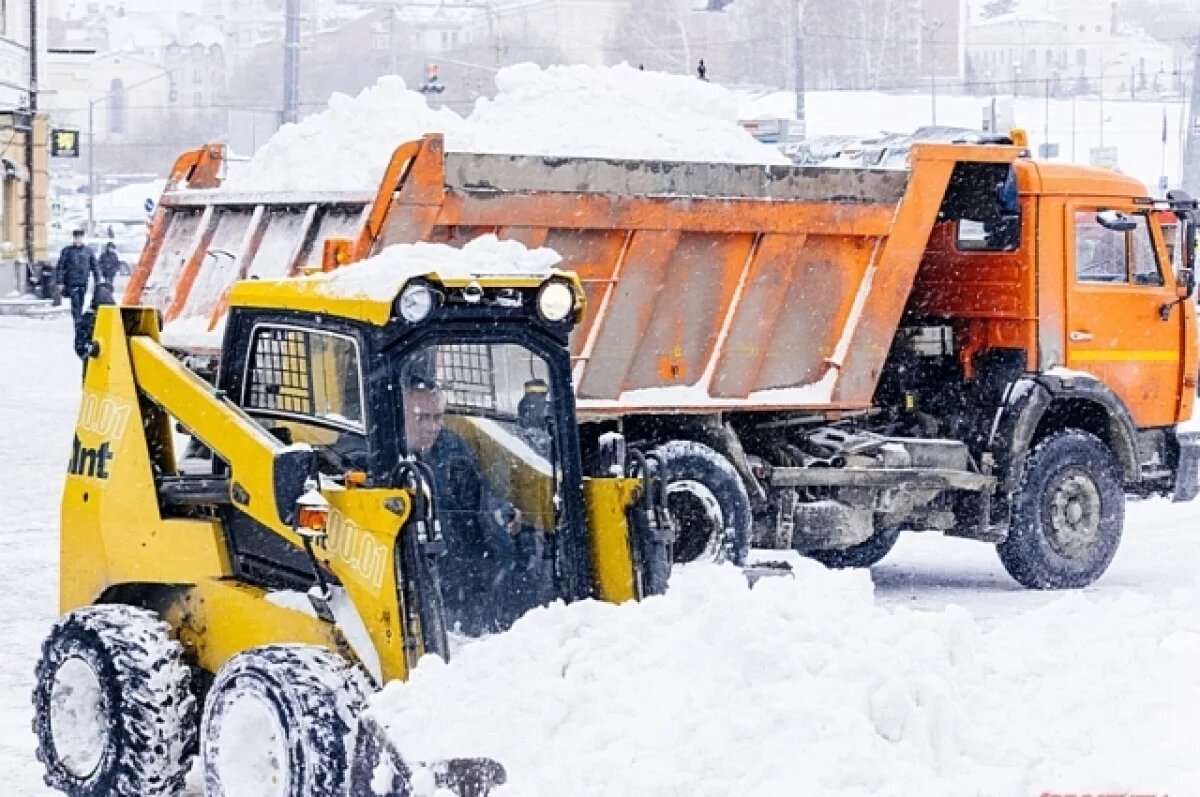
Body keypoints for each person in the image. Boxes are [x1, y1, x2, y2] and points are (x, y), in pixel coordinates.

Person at [402, 377, 543, 634]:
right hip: (409, 574)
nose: (433, 427)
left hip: (457, 563)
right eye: (422, 418)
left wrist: (502, 511)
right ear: (399, 416)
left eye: (438, 417)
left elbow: (477, 492)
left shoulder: (450, 448)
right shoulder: (371, 458)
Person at [55, 229, 100, 329]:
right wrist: (60, 281)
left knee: (81, 301)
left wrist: (98, 280)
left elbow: (94, 265)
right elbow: (61, 266)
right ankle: (77, 322)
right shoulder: (67, 251)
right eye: (76, 238)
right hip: (71, 282)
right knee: (75, 303)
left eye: (80, 238)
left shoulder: (88, 251)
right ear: (74, 238)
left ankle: (78, 320)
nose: (78, 240)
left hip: (83, 281)